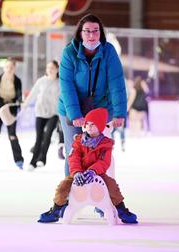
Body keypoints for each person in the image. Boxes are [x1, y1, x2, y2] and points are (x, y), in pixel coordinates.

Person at [38, 108, 138, 224]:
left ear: (100, 126)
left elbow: (104, 162)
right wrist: (76, 172)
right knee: (63, 186)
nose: (89, 127)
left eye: (93, 124)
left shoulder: (106, 144)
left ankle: (121, 210)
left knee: (112, 185)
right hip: (78, 173)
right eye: (87, 124)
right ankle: (56, 210)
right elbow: (73, 158)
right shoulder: (78, 141)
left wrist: (92, 171)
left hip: (97, 174)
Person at [58, 13, 127, 177]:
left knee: (101, 152)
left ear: (101, 33)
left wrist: (119, 113)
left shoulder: (108, 51)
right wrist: (75, 114)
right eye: (87, 31)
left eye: (95, 31)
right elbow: (66, 86)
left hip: (100, 109)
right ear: (80, 33)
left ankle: (102, 198)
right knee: (73, 153)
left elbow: (117, 83)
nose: (91, 35)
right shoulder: (69, 53)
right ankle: (69, 196)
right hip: (72, 108)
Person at [21, 60, 60, 171]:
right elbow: (33, 94)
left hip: (54, 113)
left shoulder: (60, 82)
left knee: (47, 135)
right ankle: (33, 162)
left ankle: (42, 158)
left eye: (52, 68)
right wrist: (25, 103)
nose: (50, 70)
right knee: (39, 137)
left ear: (57, 69)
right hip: (40, 112)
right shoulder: (41, 81)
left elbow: (64, 98)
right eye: (48, 68)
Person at [0, 57, 24, 169]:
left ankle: (19, 160)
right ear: (4, 68)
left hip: (11, 110)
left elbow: (19, 95)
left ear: (14, 68)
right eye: (7, 67)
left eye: (11, 67)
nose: (9, 69)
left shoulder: (17, 80)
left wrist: (19, 101)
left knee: (12, 135)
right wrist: (1, 101)